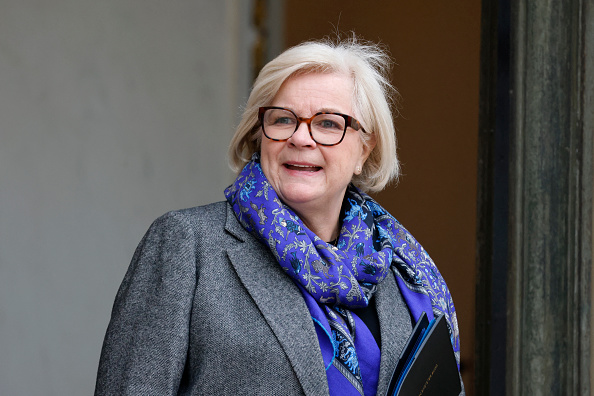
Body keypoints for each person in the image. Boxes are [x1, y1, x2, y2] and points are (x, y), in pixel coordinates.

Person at [95, 36, 464, 396]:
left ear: (363, 150)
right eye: (284, 119)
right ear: (259, 135)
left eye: (328, 123)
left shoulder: (401, 272)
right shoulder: (187, 245)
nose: (302, 138)